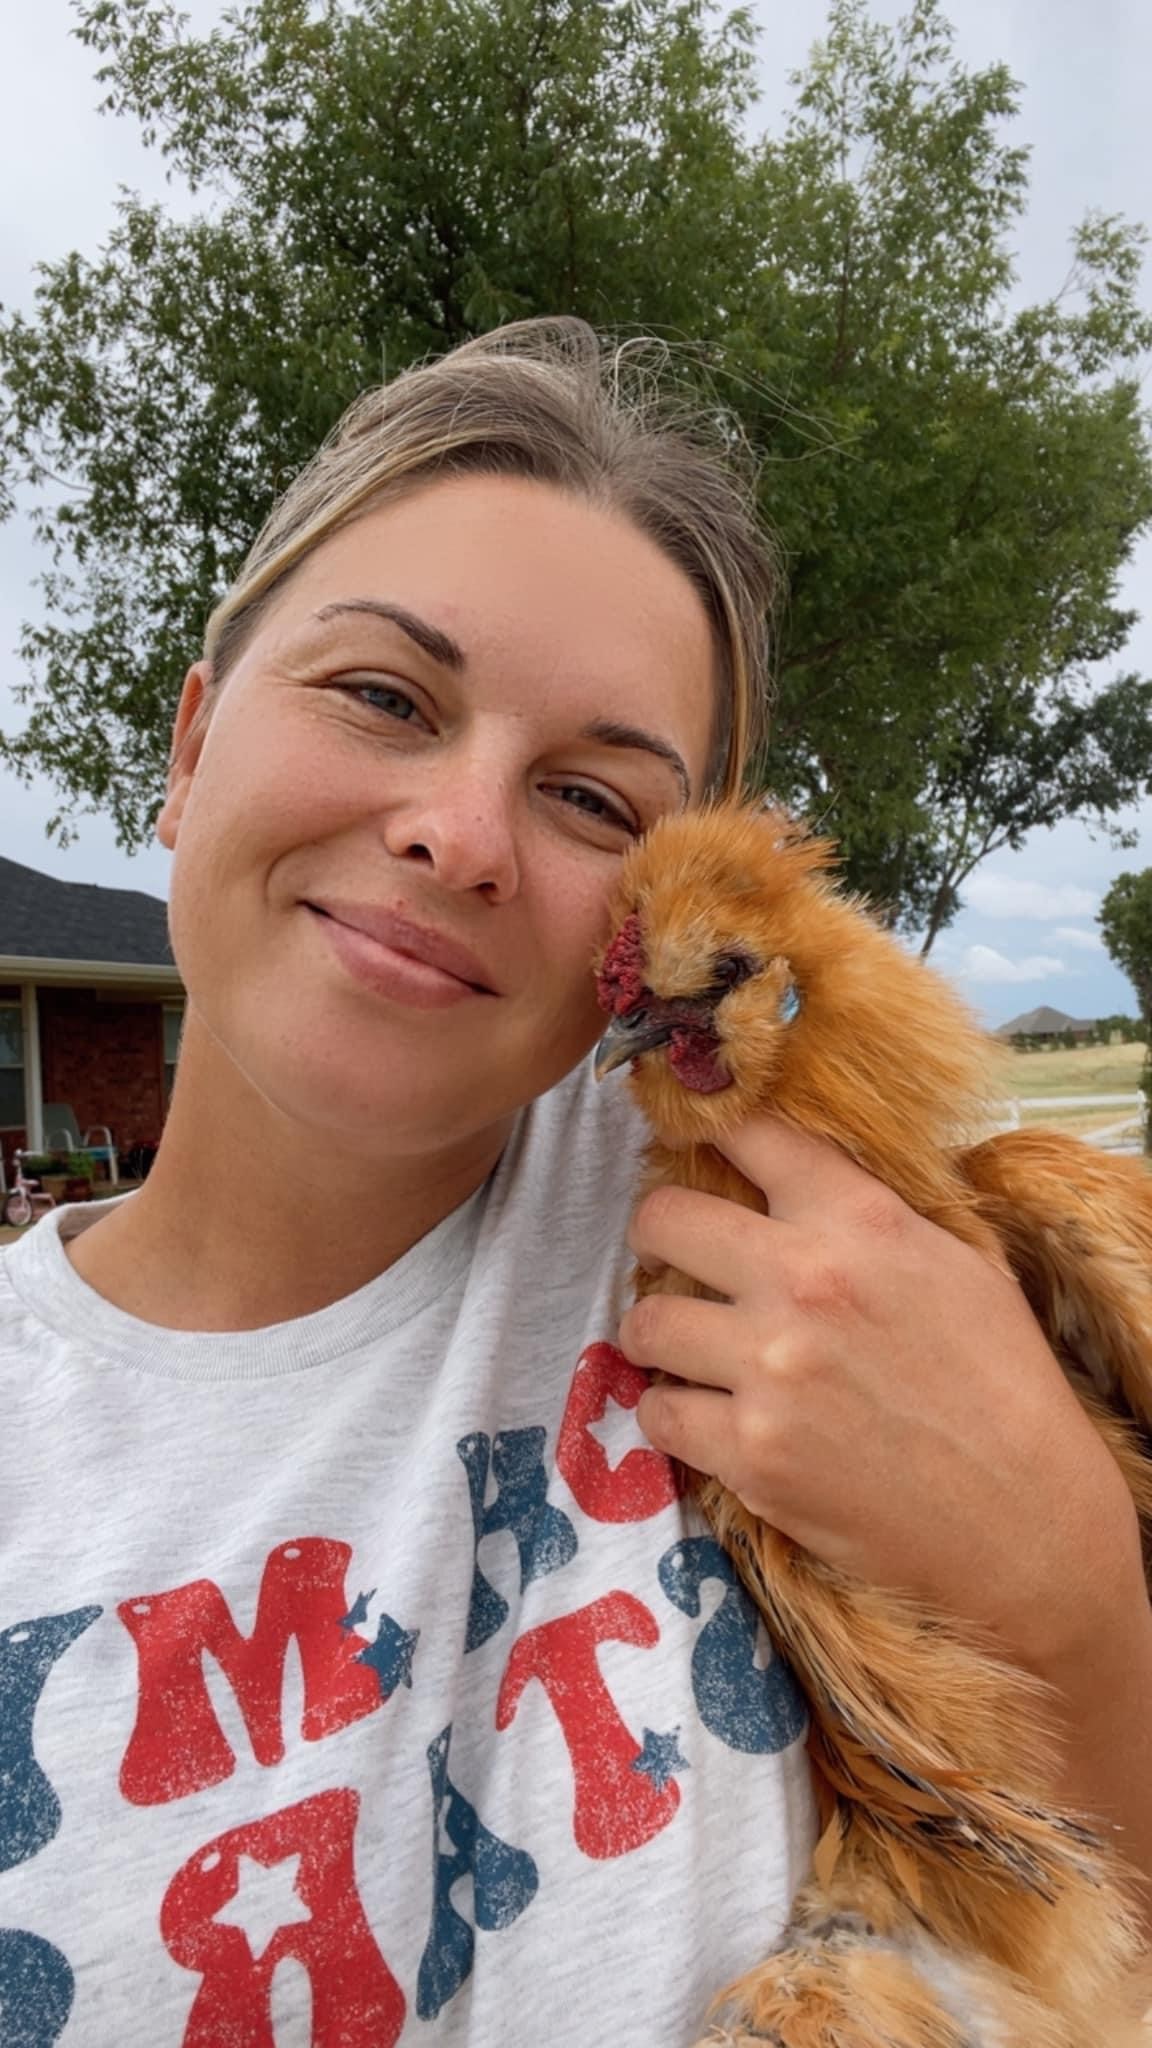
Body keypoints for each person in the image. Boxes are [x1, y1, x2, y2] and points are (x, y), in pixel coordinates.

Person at [0, 318, 1148, 2047]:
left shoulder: (830, 1245)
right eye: (384, 696)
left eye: (594, 800)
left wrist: (1072, 1592)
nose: (459, 835)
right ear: (188, 749)